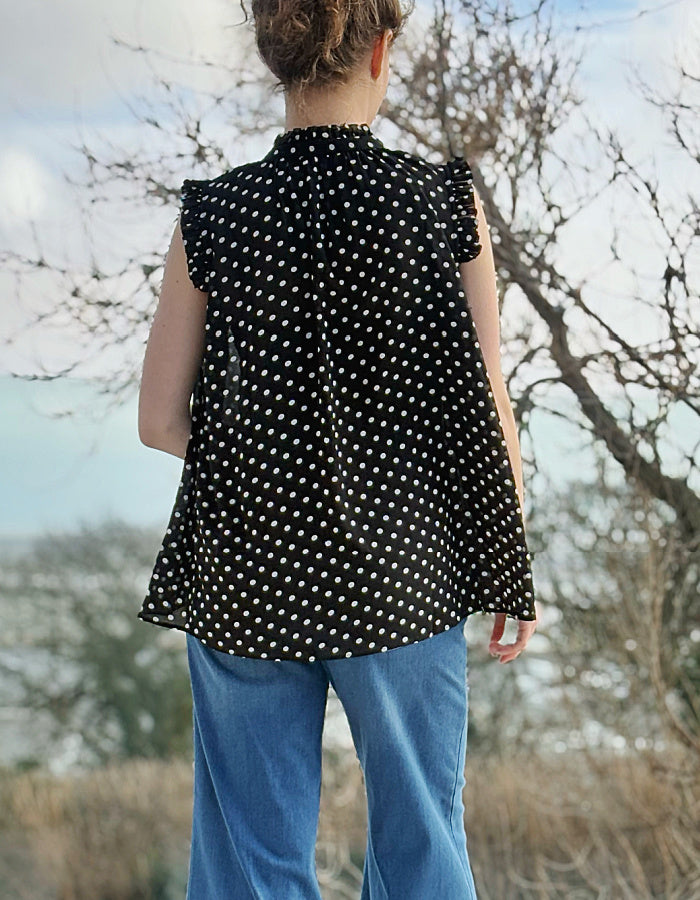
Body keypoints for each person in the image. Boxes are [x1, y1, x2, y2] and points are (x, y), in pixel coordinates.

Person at [137, 0, 539, 896]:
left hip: (247, 572)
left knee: (249, 857)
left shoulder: (212, 215)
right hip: (404, 572)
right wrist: (509, 563)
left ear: (272, 55)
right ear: (384, 50)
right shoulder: (441, 203)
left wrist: (270, 465)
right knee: (422, 845)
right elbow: (489, 410)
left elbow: (159, 421)